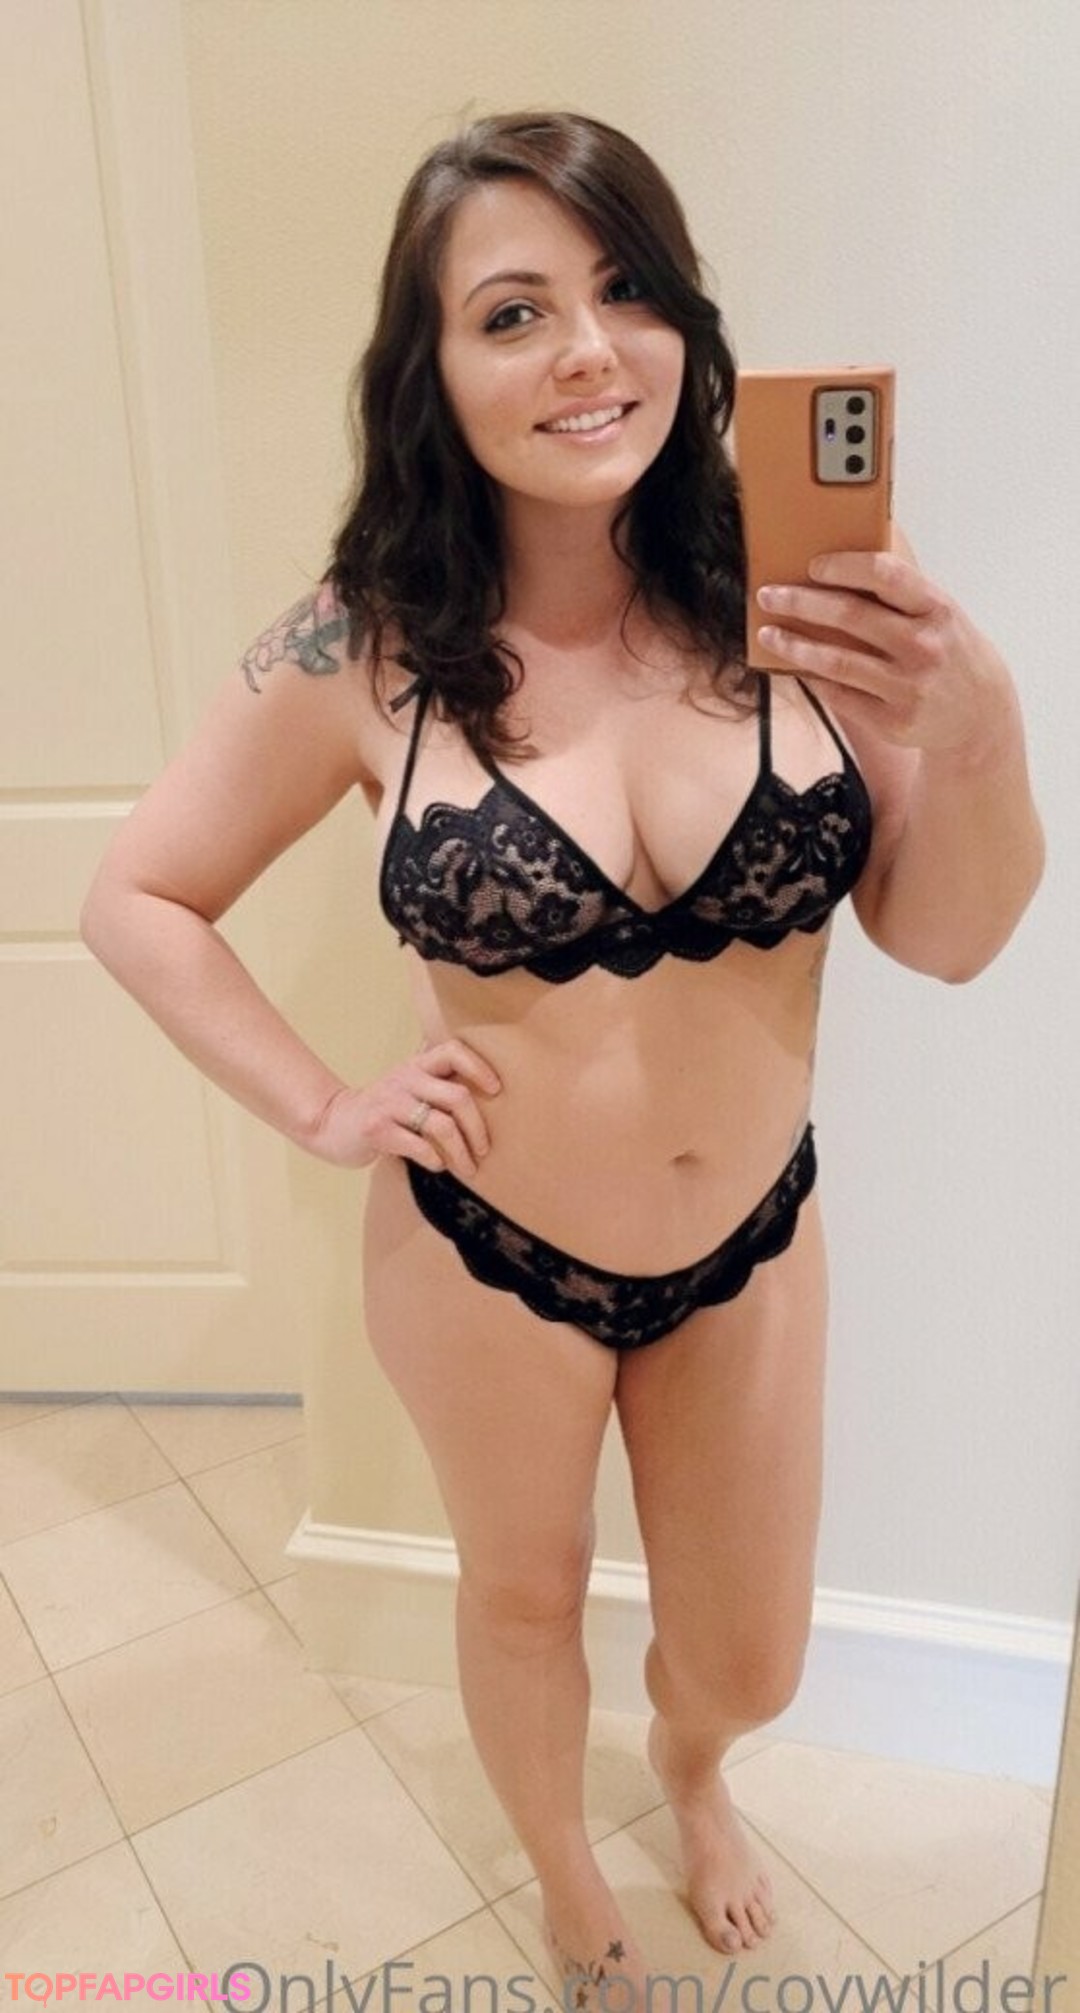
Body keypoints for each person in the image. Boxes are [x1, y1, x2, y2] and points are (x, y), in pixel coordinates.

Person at [81, 111, 1044, 1986]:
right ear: (433, 370)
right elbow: (138, 895)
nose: (587, 351)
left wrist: (986, 728)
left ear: (684, 320)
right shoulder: (362, 646)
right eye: (513, 312)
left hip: (749, 1242)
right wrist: (324, 1104)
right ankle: (563, 1866)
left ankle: (694, 1769)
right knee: (521, 1596)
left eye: (625, 291)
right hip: (481, 1250)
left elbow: (947, 936)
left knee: (749, 1653)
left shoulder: (804, 587)